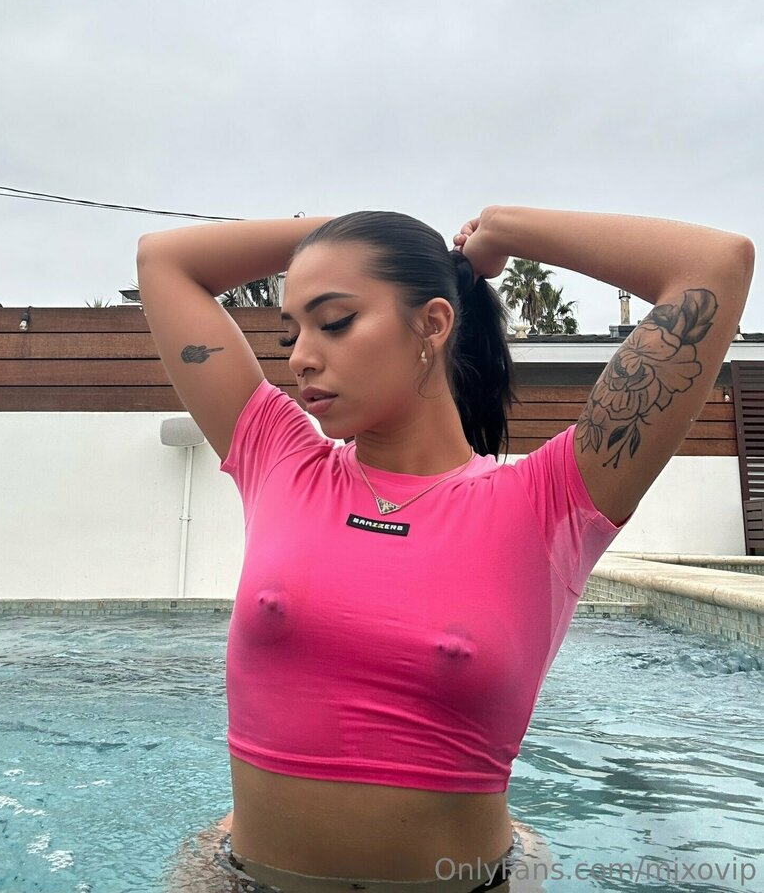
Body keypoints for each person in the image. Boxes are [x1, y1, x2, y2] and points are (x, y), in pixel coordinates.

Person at [139, 206, 754, 893]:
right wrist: (348, 228)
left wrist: (507, 231)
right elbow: (164, 261)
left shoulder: (547, 503)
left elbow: (716, 265)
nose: (300, 355)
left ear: (433, 323)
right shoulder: (280, 459)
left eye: (334, 321)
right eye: (292, 331)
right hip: (239, 880)